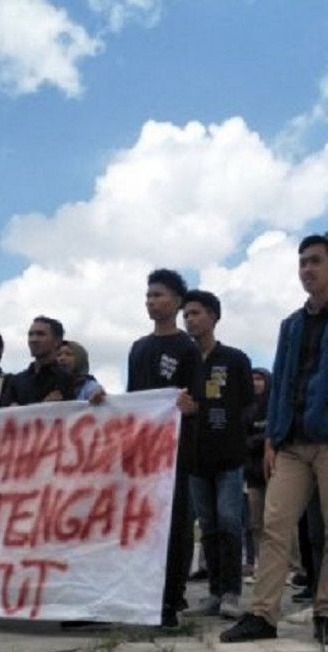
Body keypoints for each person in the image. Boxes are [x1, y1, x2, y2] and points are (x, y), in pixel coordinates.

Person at [220, 233, 328, 646]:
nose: (307, 269)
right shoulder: (290, 325)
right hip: (291, 442)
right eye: (302, 262)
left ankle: (327, 614)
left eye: (316, 261)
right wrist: (272, 437)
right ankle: (262, 615)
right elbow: (283, 380)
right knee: (273, 526)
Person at [126, 268, 200, 628]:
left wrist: (190, 407)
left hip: (176, 454)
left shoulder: (187, 348)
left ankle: (171, 600)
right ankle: (140, 595)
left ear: (176, 301)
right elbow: (132, 401)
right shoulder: (138, 348)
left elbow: (197, 400)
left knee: (175, 526)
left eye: (158, 295)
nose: (151, 301)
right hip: (141, 454)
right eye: (148, 295)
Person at [181, 290, 255, 620]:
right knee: (208, 526)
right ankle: (213, 591)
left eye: (195, 313)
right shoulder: (184, 360)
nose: (189, 319)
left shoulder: (235, 359)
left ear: (213, 316)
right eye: (186, 314)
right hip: (195, 458)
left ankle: (231, 593)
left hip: (228, 456)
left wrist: (226, 423)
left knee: (229, 523)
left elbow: (248, 404)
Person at [4, 316, 75, 405]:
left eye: (40, 334)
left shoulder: (67, 380)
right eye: (30, 334)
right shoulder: (16, 381)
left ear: (57, 341)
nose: (33, 339)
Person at [243, 368, 271, 580]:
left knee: (279, 522)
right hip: (252, 474)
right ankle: (261, 563)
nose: (256, 383)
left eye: (260, 379)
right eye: (252, 380)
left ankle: (294, 567)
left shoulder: (274, 406)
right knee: (255, 523)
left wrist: (257, 440)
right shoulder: (247, 408)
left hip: (275, 471)